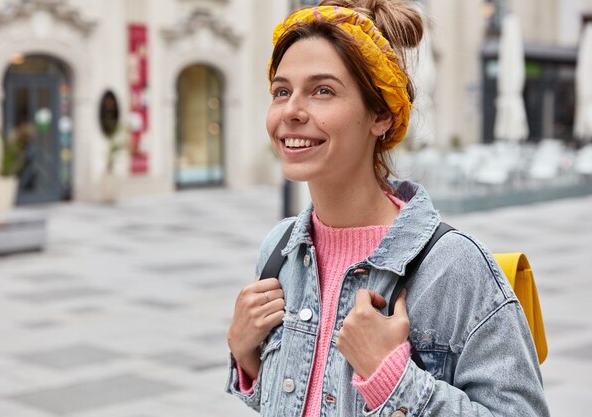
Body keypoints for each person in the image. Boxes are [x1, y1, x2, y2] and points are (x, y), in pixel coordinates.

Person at [226, 1, 549, 416]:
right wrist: (245, 354)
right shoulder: (280, 249)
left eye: (322, 90)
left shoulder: (453, 268)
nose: (291, 111)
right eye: (282, 91)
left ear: (380, 113)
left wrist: (392, 380)